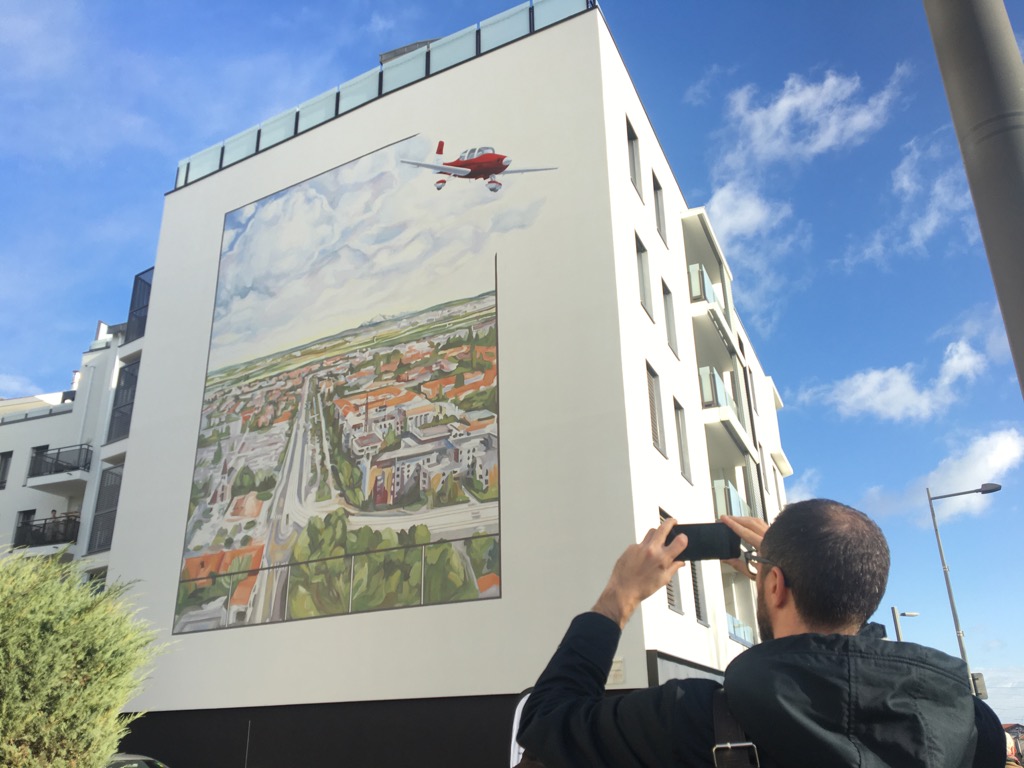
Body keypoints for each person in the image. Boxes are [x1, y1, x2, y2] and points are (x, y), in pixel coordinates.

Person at [517, 499, 1005, 767]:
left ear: (773, 586)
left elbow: (544, 721)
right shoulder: (969, 727)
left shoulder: (688, 721)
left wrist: (618, 596)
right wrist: (791, 572)